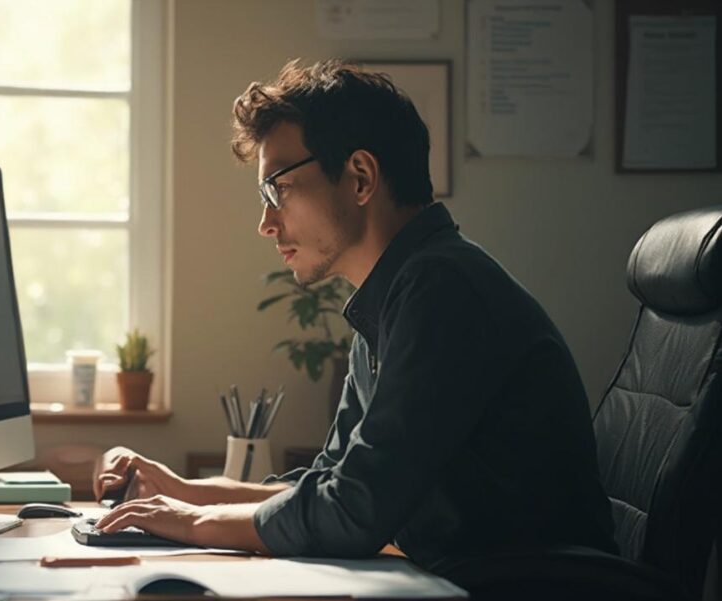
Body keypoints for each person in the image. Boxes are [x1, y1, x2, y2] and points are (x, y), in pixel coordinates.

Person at [92, 59, 617, 569]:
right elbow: (332, 480)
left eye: (278, 188)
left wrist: (190, 522)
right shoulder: (394, 294)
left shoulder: (441, 288)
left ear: (360, 177)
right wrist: (185, 493)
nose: (266, 223)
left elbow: (352, 510)